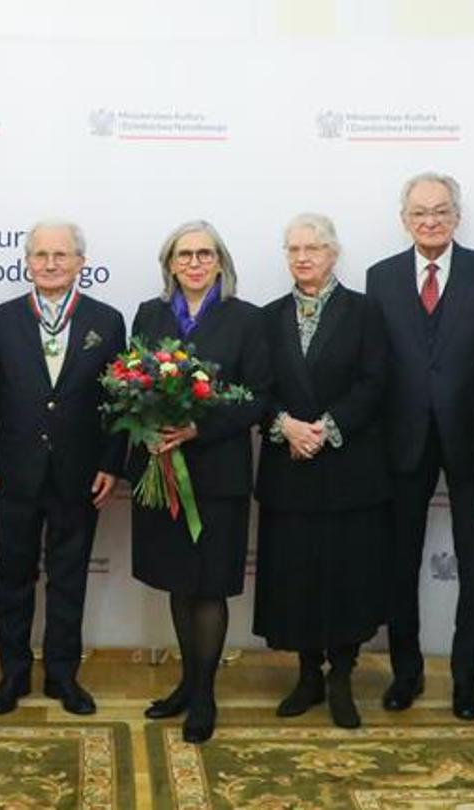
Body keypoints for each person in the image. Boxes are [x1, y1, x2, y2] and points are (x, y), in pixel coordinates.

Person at [364, 172, 474, 718]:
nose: (430, 220)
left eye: (441, 210)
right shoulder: (379, 277)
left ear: (457, 215)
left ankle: (466, 682)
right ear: (404, 218)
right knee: (397, 563)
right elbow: (376, 366)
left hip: (473, 442)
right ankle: (406, 675)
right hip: (401, 442)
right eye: (420, 212)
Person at [0, 220, 127, 717]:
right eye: (41, 255)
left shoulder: (107, 319)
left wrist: (111, 463)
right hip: (14, 471)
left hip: (79, 474)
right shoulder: (1, 319)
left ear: (81, 262)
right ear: (27, 262)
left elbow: (119, 401)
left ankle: (63, 676)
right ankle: (12, 676)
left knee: (69, 577)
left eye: (62, 255)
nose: (51, 264)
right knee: (13, 578)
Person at [129, 220, 270, 744]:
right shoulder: (150, 313)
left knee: (209, 585)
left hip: (218, 475)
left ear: (220, 262)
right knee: (178, 581)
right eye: (184, 254)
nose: (194, 262)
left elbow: (258, 397)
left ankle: (205, 695)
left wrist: (197, 426)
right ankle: (187, 684)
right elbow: (132, 381)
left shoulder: (246, 319)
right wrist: (145, 425)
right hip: (162, 469)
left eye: (204, 253)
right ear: (169, 263)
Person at [253, 214, 391, 730]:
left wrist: (324, 429)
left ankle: (341, 678)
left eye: (313, 248)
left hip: (348, 470)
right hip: (289, 470)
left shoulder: (365, 312)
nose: (302, 257)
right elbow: (256, 387)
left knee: (346, 578)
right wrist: (287, 426)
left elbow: (376, 382)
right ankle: (308, 674)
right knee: (297, 579)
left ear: (334, 254)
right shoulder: (266, 318)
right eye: (293, 249)